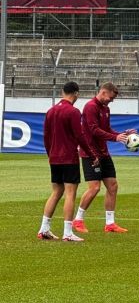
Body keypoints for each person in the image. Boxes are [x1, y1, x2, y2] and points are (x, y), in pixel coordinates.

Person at [38, 81, 99, 241]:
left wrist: (49, 154)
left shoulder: (51, 111)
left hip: (54, 157)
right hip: (68, 157)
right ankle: (67, 232)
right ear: (76, 93)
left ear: (62, 92)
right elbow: (80, 136)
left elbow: (46, 136)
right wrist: (92, 155)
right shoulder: (73, 112)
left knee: (56, 192)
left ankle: (44, 228)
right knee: (70, 193)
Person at [72, 82, 135, 234]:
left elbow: (106, 130)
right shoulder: (90, 107)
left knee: (112, 185)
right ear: (104, 92)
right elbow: (94, 130)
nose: (111, 100)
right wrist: (115, 138)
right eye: (111, 97)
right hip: (90, 153)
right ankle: (78, 220)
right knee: (94, 188)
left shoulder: (105, 109)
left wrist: (122, 134)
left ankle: (110, 223)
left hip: (103, 152)